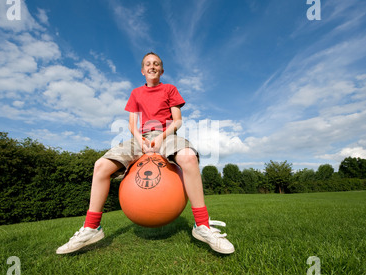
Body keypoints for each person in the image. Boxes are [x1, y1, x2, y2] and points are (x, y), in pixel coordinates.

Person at [56, 52, 235, 255]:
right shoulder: (135, 93)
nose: (152, 66)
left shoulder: (170, 89)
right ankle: (91, 228)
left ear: (161, 70)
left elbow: (177, 120)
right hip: (140, 137)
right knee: (101, 166)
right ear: (142, 70)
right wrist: (140, 140)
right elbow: (132, 124)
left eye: (156, 64)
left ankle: (202, 226)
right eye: (148, 64)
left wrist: (160, 138)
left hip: (166, 133)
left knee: (188, 157)